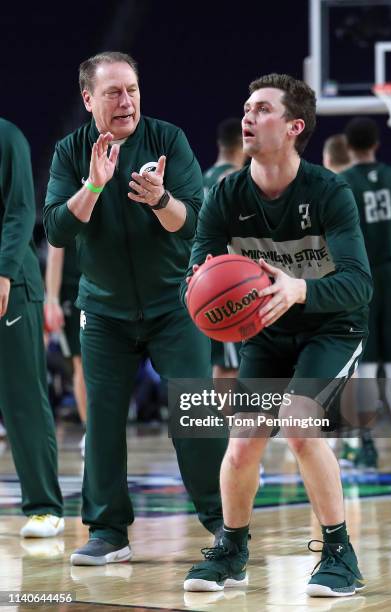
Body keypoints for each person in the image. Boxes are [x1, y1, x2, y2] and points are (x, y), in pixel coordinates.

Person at [182, 73, 372, 597]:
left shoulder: (330, 191)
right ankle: (232, 549)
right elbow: (197, 273)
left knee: (298, 424)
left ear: (293, 127)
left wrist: (299, 290)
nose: (248, 115)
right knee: (242, 444)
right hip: (266, 332)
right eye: (246, 106)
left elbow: (359, 284)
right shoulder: (224, 195)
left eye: (262, 108)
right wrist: (199, 297)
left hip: (333, 325)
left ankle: (340, 554)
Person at [43, 51, 227, 565]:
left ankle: (223, 524)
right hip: (103, 311)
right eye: (113, 93)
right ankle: (108, 532)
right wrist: (95, 185)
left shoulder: (168, 139)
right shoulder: (70, 151)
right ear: (88, 100)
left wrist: (161, 199)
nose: (126, 102)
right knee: (101, 420)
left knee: (194, 414)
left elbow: (192, 222)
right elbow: (58, 228)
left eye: (132, 90)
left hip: (175, 303)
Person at [342, 116, 391, 473]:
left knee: (367, 366)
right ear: (377, 143)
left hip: (361, 278)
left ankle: (368, 447)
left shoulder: (342, 185)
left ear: (348, 146)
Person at [0, 118, 64, 537]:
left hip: (11, 286)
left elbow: (21, 208)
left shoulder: (7, 136)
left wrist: (3, 272)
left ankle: (45, 507)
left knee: (22, 398)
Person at [323, 133, 360, 469]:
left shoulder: (331, 189)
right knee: (365, 368)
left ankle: (341, 441)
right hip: (371, 287)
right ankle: (356, 442)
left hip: (340, 289)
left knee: (340, 370)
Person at [203, 118, 246, 379]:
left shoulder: (202, 177)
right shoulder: (235, 179)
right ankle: (226, 421)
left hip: (205, 278)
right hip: (231, 280)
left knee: (222, 360)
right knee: (230, 364)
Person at [44, 243, 87, 455]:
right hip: (75, 287)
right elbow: (56, 245)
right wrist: (51, 298)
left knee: (191, 368)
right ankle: (92, 431)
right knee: (83, 362)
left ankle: (199, 437)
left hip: (118, 285)